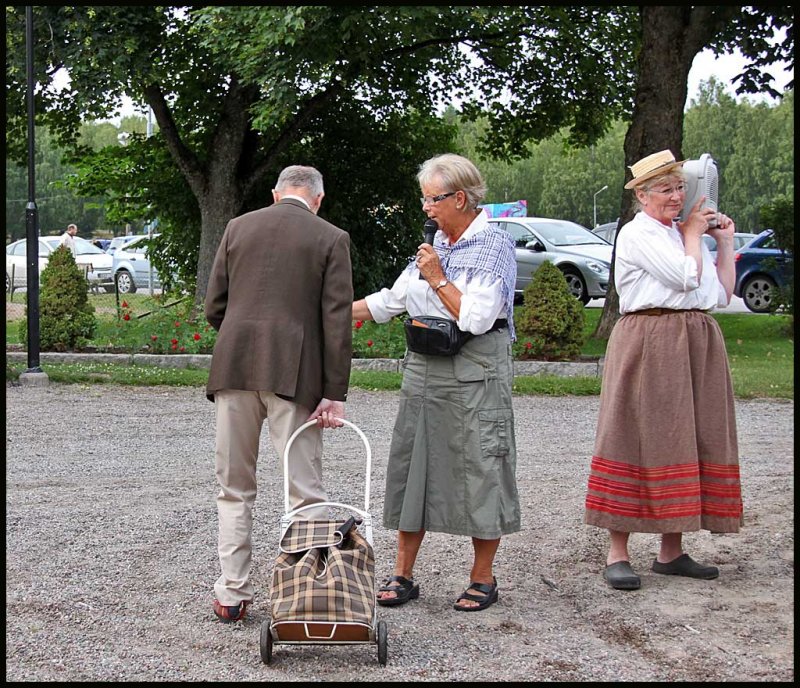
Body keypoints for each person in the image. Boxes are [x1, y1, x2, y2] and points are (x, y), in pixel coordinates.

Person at [352, 153, 520, 612]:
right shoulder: (436, 245)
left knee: (483, 466)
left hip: (475, 371)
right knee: (413, 465)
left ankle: (482, 578)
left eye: (433, 199)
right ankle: (403, 574)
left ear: (460, 198)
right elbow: (392, 300)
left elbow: (477, 316)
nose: (426, 208)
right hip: (425, 370)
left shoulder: (494, 247)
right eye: (424, 199)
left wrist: (438, 277)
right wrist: (332, 311)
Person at [584, 149, 743, 591]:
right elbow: (684, 278)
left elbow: (720, 292)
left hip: (695, 339)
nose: (676, 196)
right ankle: (618, 552)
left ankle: (670, 551)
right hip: (650, 339)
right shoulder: (639, 234)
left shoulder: (677, 233)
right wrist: (694, 233)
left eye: (680, 187)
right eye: (665, 189)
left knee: (686, 437)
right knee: (633, 434)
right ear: (642, 195)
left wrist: (723, 242)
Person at [204, 164, 354, 622]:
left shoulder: (236, 227)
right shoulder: (331, 238)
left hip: (233, 369)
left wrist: (240, 337)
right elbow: (337, 322)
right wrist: (333, 392)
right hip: (296, 376)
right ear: (318, 198)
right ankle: (306, 596)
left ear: (275, 194)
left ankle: (232, 594)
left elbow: (215, 306)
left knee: (233, 487)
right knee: (304, 491)